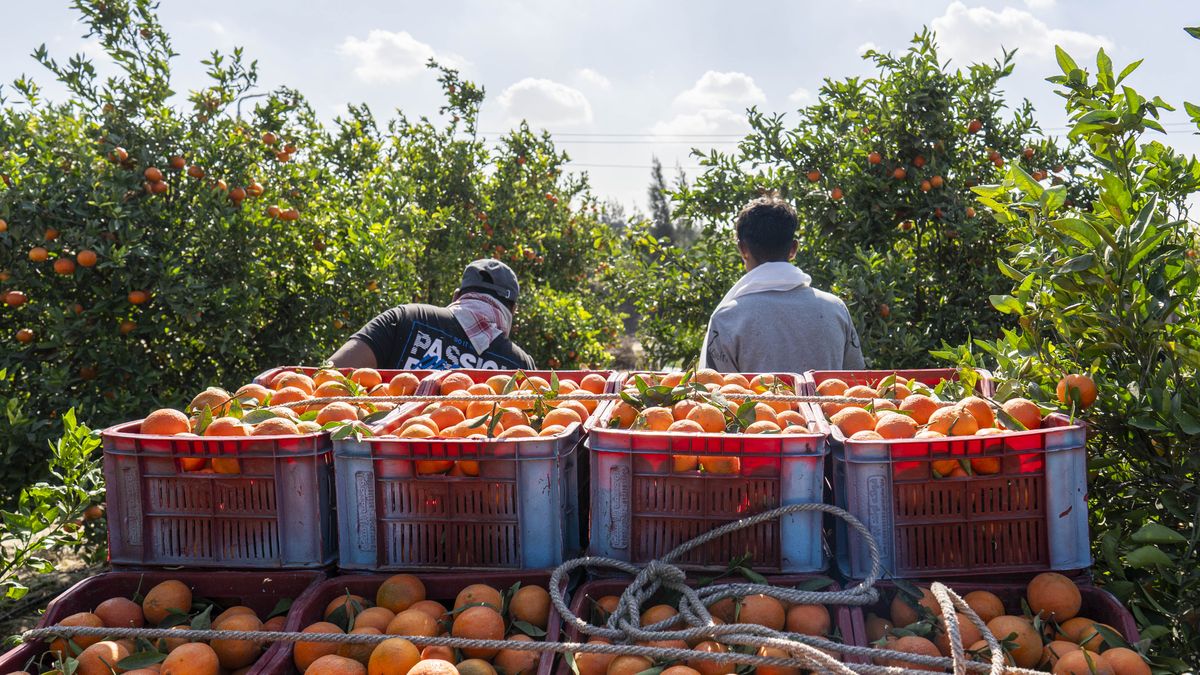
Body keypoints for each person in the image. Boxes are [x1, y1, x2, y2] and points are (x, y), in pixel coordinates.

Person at [699, 194, 865, 374]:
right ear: (793, 249)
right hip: (829, 404)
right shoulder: (835, 309)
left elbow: (715, 391)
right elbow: (856, 381)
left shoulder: (727, 319)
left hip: (759, 404)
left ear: (743, 249)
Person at [330, 259, 535, 370]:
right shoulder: (521, 365)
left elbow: (328, 378)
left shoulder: (406, 318)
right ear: (512, 310)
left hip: (389, 446)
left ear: (456, 296)